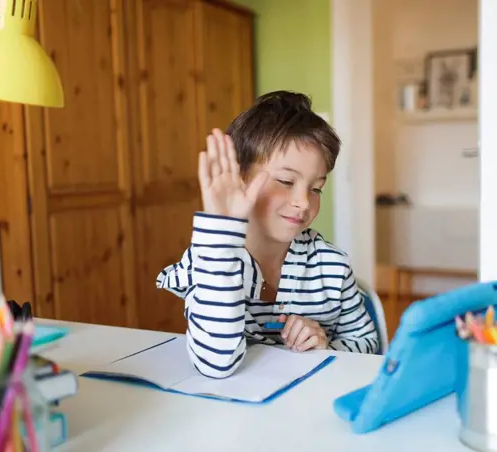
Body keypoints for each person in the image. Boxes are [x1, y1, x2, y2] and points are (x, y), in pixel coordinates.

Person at [156, 91, 379, 378]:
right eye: (286, 181)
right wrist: (219, 227)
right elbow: (216, 364)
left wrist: (327, 346)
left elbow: (368, 345)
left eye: (316, 188)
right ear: (240, 178)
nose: (303, 201)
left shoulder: (332, 266)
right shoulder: (210, 257)